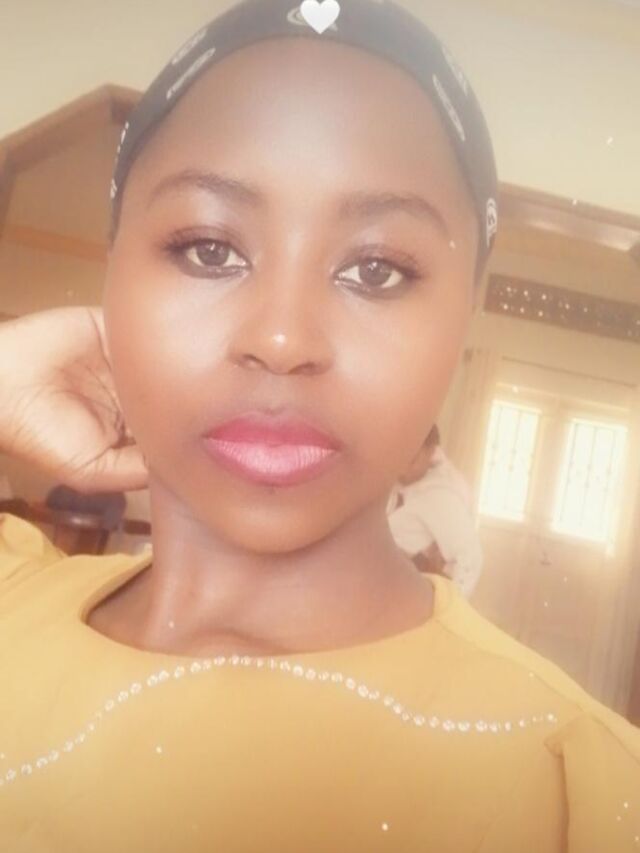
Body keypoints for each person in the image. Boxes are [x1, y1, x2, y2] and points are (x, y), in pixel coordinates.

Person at [0, 2, 638, 850]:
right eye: (208, 248)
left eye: (376, 269)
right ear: (114, 266)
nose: (282, 339)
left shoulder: (574, 787)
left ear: (468, 311)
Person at [388, 426, 484, 597]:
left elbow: (471, 560)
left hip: (406, 586)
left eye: (411, 460)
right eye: (397, 457)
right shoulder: (402, 482)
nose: (401, 469)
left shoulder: (440, 495)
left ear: (431, 451)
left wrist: (450, 606)